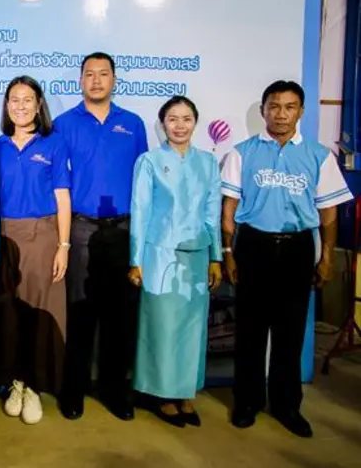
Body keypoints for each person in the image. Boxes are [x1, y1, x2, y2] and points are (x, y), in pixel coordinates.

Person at [221, 80, 353, 438]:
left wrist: (326, 257)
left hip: (297, 249)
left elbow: (328, 212)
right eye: (274, 106)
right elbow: (229, 209)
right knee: (250, 331)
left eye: (289, 107)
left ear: (301, 112)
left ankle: (286, 405)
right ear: (263, 110)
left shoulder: (319, 155)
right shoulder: (242, 153)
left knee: (290, 332)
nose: (281, 114)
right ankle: (247, 402)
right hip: (253, 246)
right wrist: (229, 252)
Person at [54, 52, 148, 421]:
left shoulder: (133, 124)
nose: (96, 80)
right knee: (79, 314)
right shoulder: (63, 124)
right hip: (81, 229)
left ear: (114, 80)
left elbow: (144, 181)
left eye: (103, 74)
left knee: (119, 317)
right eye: (89, 74)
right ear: (80, 80)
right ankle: (73, 390)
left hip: (124, 230)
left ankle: (114, 390)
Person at [128, 96, 222, 428]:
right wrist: (135, 260)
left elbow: (212, 213)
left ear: (195, 123)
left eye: (186, 119)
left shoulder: (208, 163)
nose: (179, 125)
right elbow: (140, 211)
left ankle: (185, 393)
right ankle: (162, 395)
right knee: (162, 327)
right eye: (172, 119)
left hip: (197, 256)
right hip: (159, 255)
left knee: (192, 329)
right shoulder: (149, 161)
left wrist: (216, 257)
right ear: (162, 124)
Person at [0, 76, 71, 425]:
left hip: (43, 237)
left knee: (39, 314)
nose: (20, 106)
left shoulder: (54, 143)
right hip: (5, 238)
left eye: (27, 99)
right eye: (14, 99)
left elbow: (62, 197)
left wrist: (64, 246)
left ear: (39, 105)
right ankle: (16, 383)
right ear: (6, 105)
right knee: (9, 316)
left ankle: (35, 387)